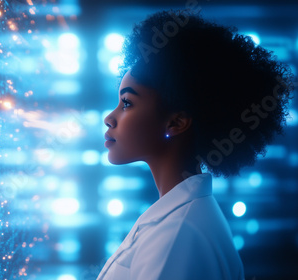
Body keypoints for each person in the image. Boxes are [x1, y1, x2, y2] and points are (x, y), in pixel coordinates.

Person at [99, 8, 294, 280]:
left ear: (177, 123)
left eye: (127, 103)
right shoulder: (179, 220)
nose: (110, 117)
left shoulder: (177, 238)